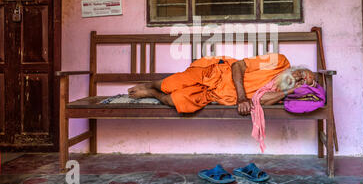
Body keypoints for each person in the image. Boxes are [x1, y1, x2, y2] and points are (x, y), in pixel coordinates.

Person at [128, 53, 316, 116]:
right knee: (168, 84)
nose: (298, 78)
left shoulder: (278, 90)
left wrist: (289, 90)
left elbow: (261, 101)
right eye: (301, 73)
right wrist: (242, 97)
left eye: (301, 82)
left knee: (173, 100)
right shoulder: (279, 61)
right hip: (215, 75)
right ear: (297, 68)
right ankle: (151, 85)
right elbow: (238, 65)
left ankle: (152, 94)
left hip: (215, 96)